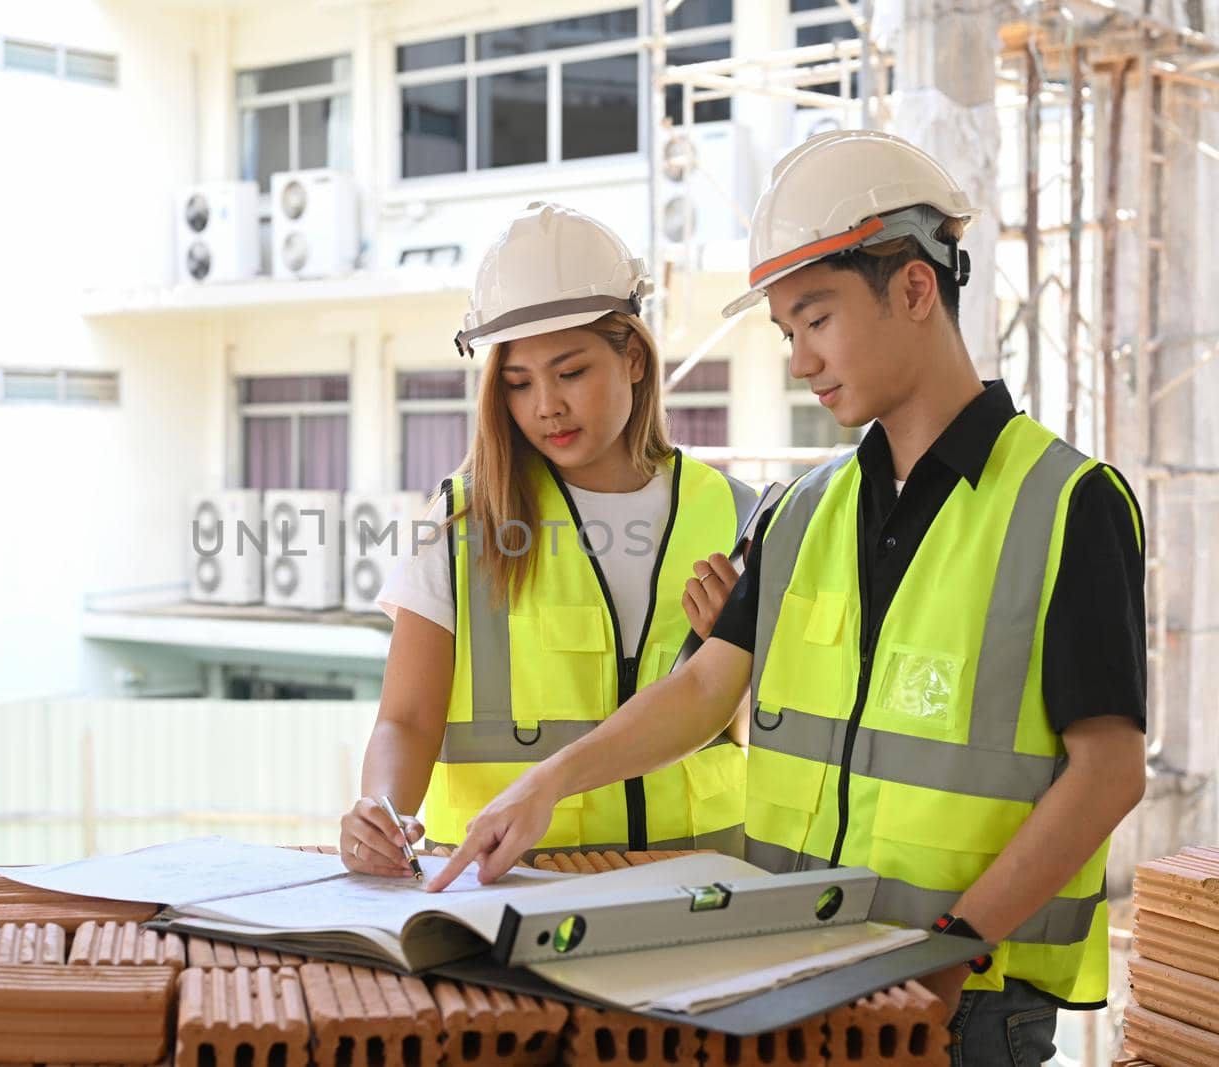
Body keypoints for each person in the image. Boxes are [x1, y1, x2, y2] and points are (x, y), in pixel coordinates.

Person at [426, 132, 1147, 1066]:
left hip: (966, 1003)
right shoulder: (801, 510)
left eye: (817, 319)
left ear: (916, 290)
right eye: (785, 333)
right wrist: (549, 780)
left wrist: (950, 947)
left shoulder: (1068, 506)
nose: (801, 359)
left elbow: (1108, 772)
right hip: (791, 973)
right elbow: (699, 693)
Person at [339, 202, 757, 879]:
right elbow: (407, 720)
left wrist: (736, 671)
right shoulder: (462, 525)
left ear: (633, 358)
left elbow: (751, 730)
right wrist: (379, 810)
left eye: (570, 373)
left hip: (699, 888)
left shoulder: (738, 516)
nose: (545, 407)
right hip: (505, 898)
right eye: (518, 383)